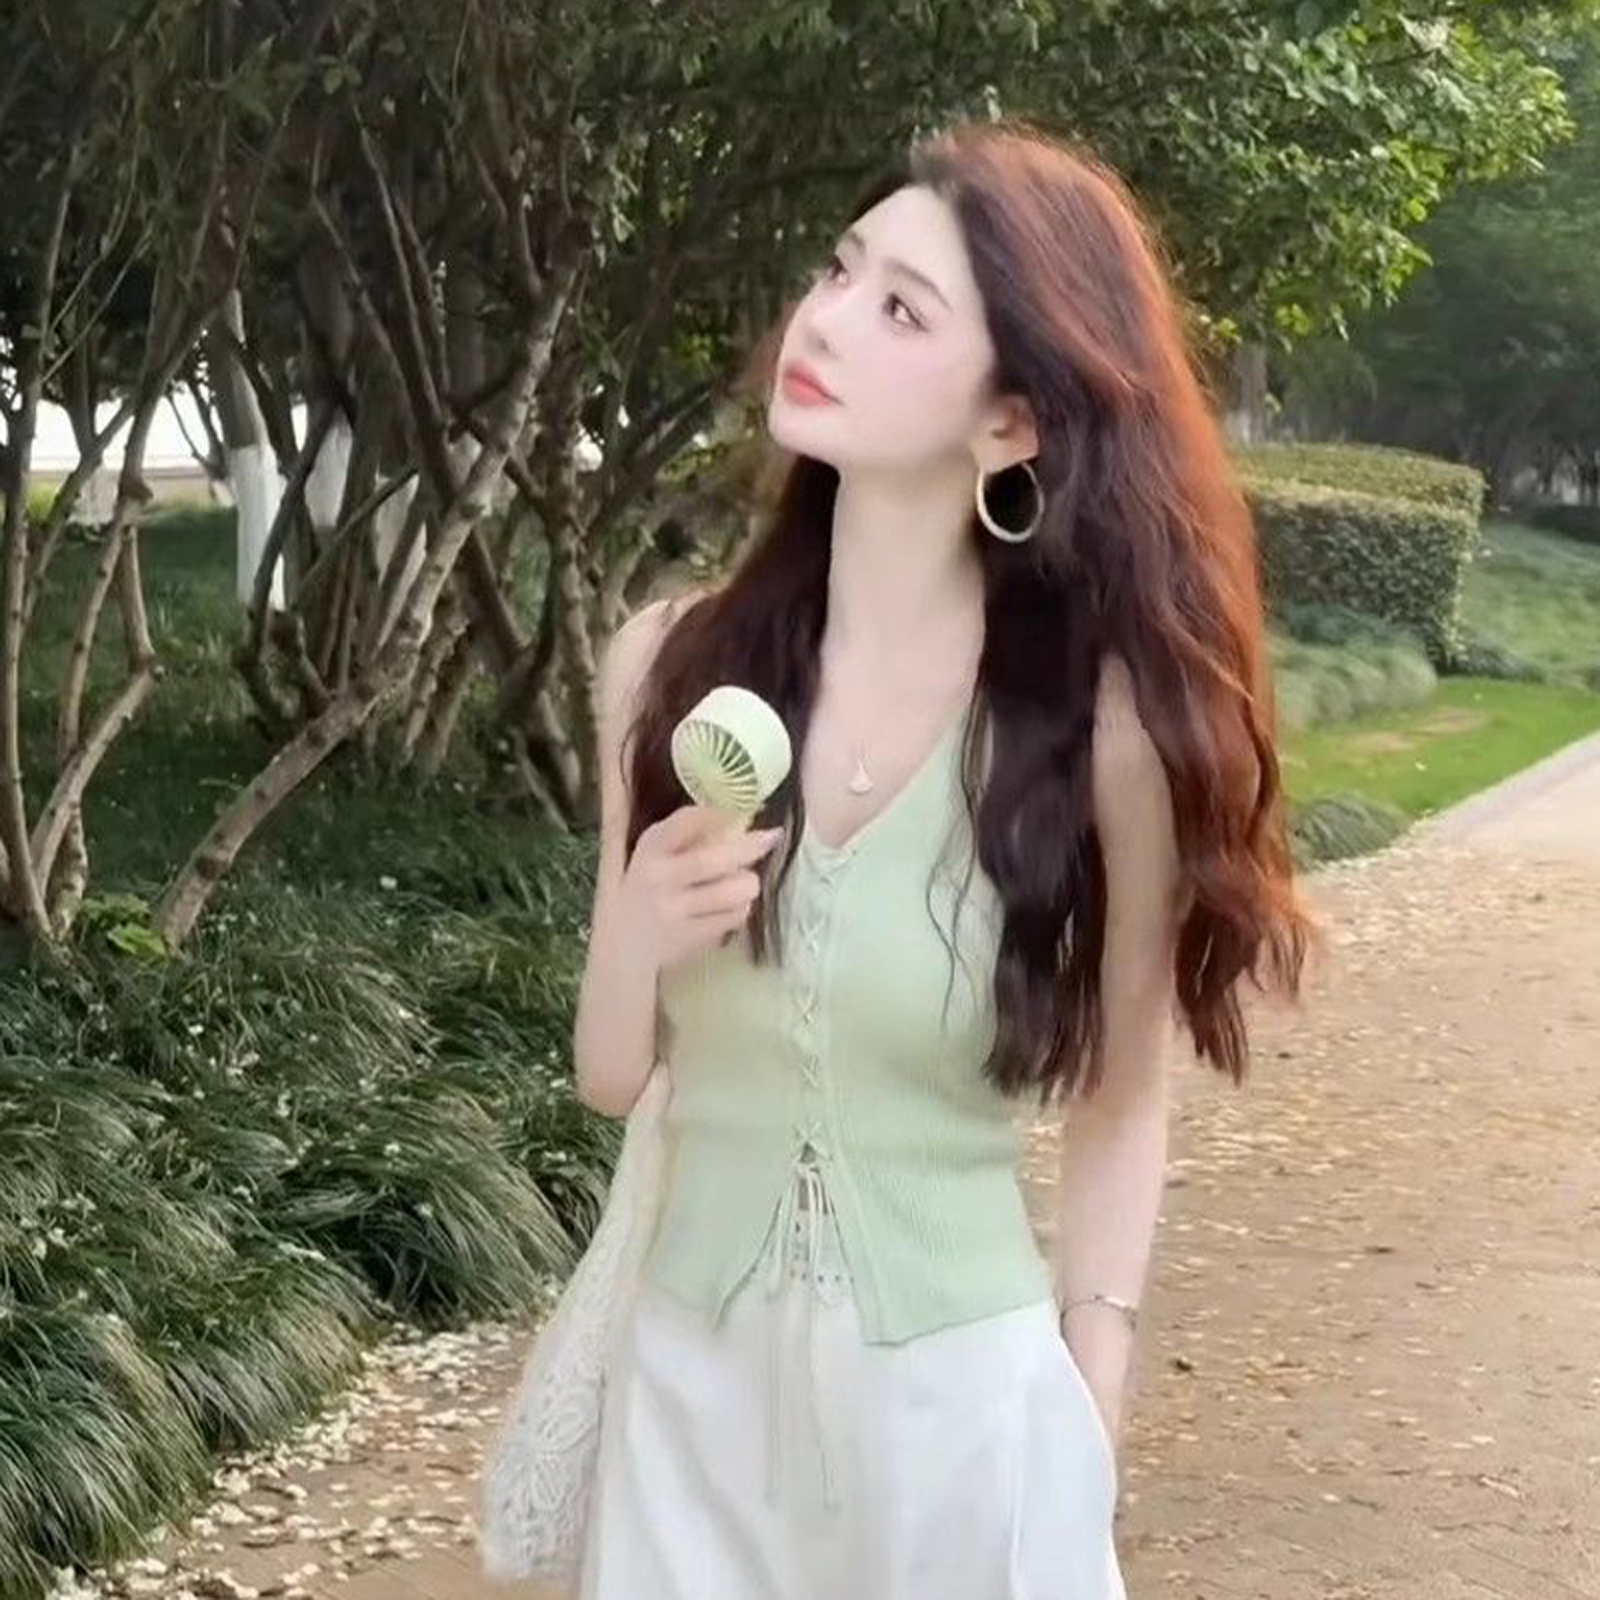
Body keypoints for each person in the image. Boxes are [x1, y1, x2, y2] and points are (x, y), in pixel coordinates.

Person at [569, 117, 1316, 1600]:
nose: (827, 321)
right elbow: (612, 1075)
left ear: (1012, 424)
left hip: (959, 1422)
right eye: (841, 271)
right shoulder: (664, 666)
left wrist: (1091, 1389)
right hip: (691, 1409)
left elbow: (1121, 1096)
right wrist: (641, 929)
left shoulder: (1095, 732)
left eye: (902, 310)